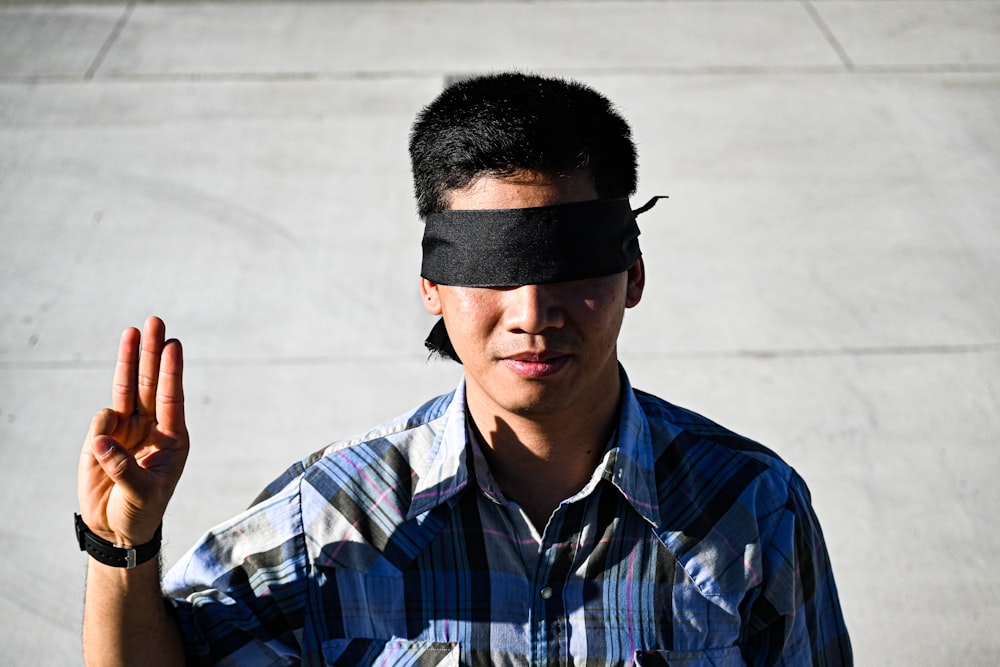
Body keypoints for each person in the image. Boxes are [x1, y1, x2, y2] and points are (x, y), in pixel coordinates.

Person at [76, 72, 852, 666]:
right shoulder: (333, 519)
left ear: (634, 274)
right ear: (432, 287)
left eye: (568, 265)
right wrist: (123, 549)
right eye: (495, 269)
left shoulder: (752, 509)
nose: (531, 312)